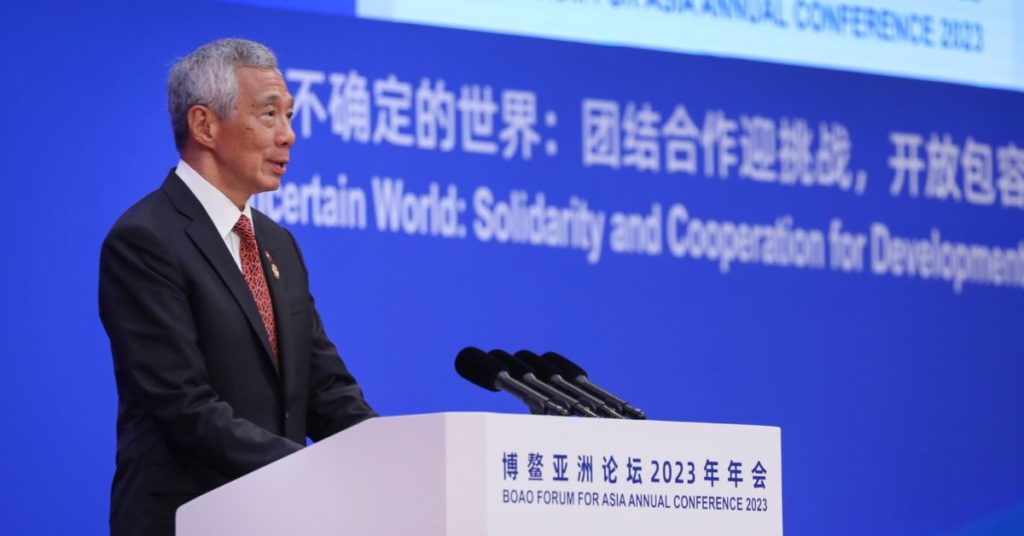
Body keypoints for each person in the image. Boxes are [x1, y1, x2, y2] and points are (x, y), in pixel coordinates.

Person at [99, 38, 376, 535]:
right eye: (269, 115)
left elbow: (324, 389)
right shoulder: (145, 240)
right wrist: (312, 471)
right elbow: (185, 407)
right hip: (186, 519)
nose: (289, 136)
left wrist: (393, 454)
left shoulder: (277, 244)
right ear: (204, 125)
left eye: (289, 115)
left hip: (276, 518)